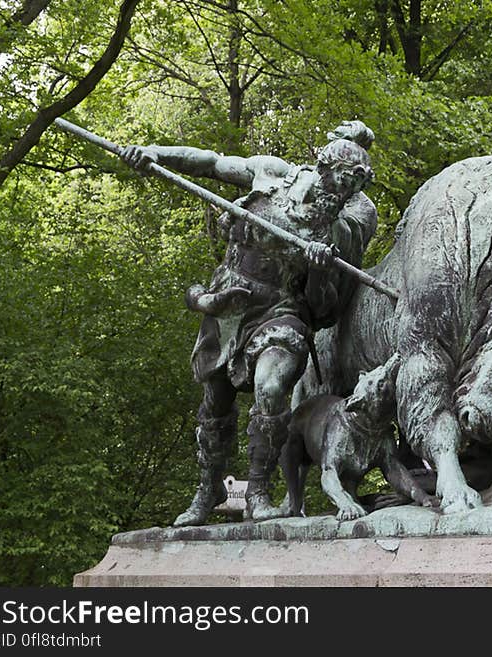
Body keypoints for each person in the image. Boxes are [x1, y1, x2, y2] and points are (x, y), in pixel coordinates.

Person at [120, 121, 377, 525]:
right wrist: (154, 153)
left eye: (347, 191)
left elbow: (326, 307)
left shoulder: (340, 229)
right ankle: (208, 490)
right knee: (215, 400)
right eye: (335, 183)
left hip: (282, 311)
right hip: (230, 301)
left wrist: (320, 270)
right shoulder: (271, 175)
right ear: (321, 168)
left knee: (272, 387)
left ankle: (258, 491)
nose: (336, 195)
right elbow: (210, 163)